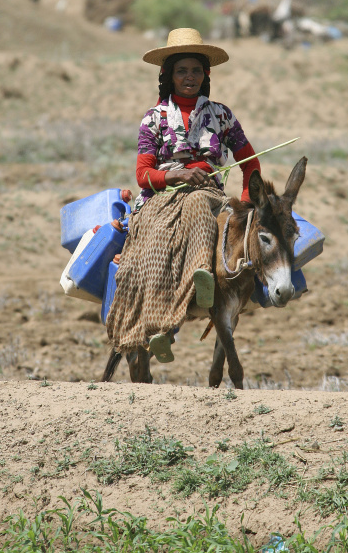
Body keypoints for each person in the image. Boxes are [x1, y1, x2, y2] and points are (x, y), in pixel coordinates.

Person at [106, 28, 261, 364]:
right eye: (181, 71)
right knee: (149, 245)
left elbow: (251, 162)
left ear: (206, 75)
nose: (189, 77)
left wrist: (247, 200)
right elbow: (143, 175)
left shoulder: (222, 115)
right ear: (168, 76)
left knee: (200, 205)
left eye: (195, 70)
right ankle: (158, 329)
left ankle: (205, 281)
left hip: (209, 194)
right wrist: (178, 174)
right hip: (159, 199)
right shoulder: (154, 119)